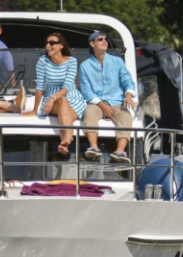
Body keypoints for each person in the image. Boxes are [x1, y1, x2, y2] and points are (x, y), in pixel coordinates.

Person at [23, 33, 87, 154]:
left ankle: (65, 143)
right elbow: (40, 86)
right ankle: (68, 137)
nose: (48, 46)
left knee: (65, 117)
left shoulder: (71, 61)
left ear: (61, 46)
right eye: (47, 43)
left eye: (52, 43)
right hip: (52, 101)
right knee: (63, 101)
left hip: (73, 98)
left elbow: (67, 86)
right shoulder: (43, 61)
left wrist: (52, 98)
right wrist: (35, 109)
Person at [79, 30, 137, 163]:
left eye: (105, 39)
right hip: (96, 104)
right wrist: (102, 105)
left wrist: (128, 95)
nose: (104, 41)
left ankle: (120, 152)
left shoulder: (118, 61)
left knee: (126, 116)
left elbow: (128, 80)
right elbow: (87, 91)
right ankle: (94, 148)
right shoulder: (84, 66)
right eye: (100, 39)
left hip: (117, 102)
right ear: (92, 44)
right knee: (89, 113)